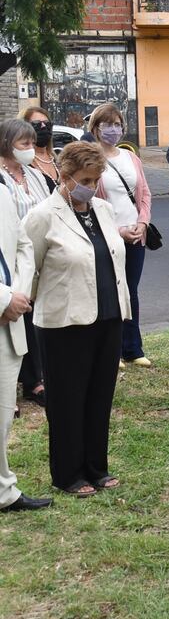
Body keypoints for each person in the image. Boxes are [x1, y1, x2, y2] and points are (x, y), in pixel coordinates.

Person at [22, 141, 131, 497]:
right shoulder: (43, 215)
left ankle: (96, 467)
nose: (92, 186)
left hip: (108, 316)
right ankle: (68, 474)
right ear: (65, 176)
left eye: (96, 179)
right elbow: (29, 268)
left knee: (100, 396)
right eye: (85, 180)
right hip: (64, 323)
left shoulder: (103, 209)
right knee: (67, 400)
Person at [0, 184, 52, 512]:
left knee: (3, 415)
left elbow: (23, 246)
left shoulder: (3, 193)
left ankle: (3, 491)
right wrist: (3, 299)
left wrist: (15, 297)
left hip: (8, 323)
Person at [89, 103, 153, 368]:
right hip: (106, 236)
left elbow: (144, 193)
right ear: (95, 128)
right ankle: (110, 351)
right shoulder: (90, 158)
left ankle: (132, 348)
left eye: (117, 124)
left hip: (135, 235)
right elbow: (87, 203)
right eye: (107, 125)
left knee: (130, 291)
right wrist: (117, 232)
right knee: (108, 292)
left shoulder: (130, 157)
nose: (113, 130)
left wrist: (143, 223)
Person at [0, 119, 50, 409]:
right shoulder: (1, 179)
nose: (31, 148)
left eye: (32, 143)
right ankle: (12, 388)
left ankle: (34, 379)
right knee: (17, 321)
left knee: (34, 320)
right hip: (10, 264)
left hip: (38, 256)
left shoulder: (34, 175)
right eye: (24, 143)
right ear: (7, 144)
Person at [17, 106, 59, 190]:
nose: (43, 126)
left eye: (47, 123)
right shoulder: (21, 164)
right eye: (36, 123)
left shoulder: (57, 159)